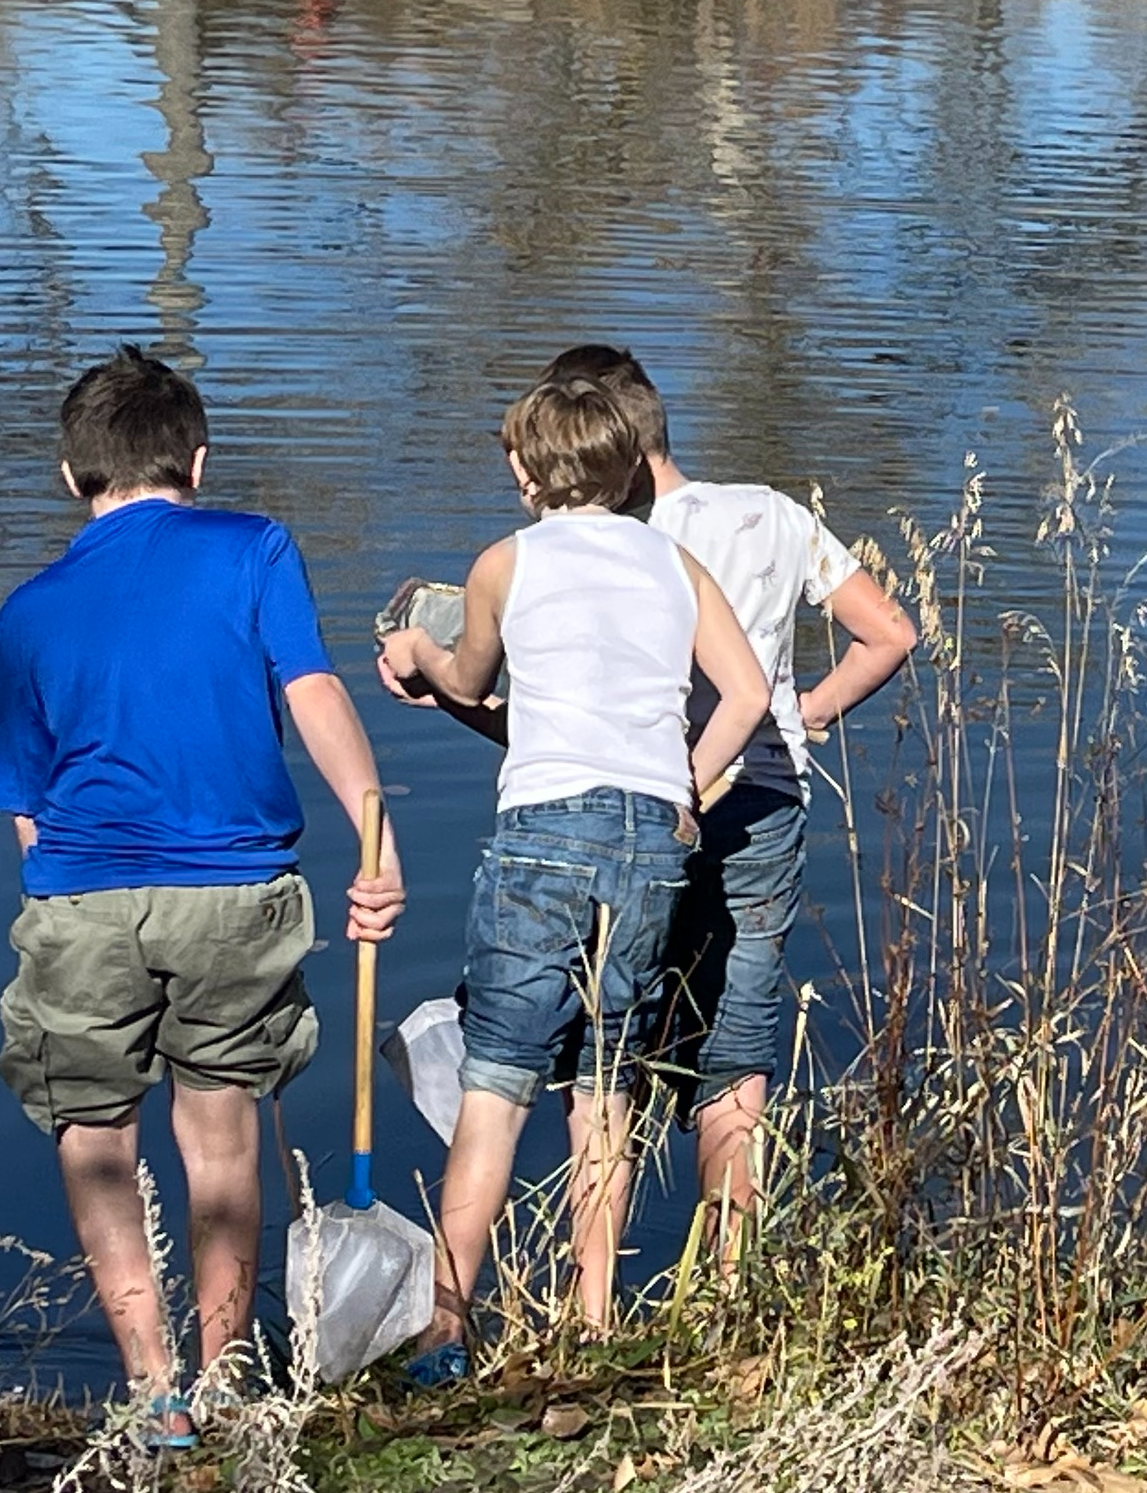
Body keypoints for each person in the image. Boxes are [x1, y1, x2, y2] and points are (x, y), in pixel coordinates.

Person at [379, 344, 917, 1265]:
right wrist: (805, 714)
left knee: (582, 1044)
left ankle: (487, 1300)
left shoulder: (583, 546)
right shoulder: (772, 515)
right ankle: (721, 1286)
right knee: (735, 1045)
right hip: (756, 803)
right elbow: (891, 632)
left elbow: (568, 742)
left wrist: (442, 687)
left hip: (619, 814)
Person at [0, 346, 404, 1446]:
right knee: (220, 1144)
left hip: (80, 896)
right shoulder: (255, 547)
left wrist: (84, 883)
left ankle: (150, 1383)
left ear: (74, 476)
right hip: (235, 891)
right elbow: (311, 692)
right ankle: (223, 1379)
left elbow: (25, 806)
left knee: (95, 1136)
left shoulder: (27, 610)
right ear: (197, 460)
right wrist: (374, 829)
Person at [376, 374, 767, 1384]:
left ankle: (447, 1327)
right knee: (607, 1083)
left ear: (524, 471)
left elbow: (467, 682)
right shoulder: (676, 562)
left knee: (497, 1082)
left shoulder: (506, 560)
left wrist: (419, 649)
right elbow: (750, 692)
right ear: (630, 465)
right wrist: (684, 784)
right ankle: (591, 1322)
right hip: (647, 841)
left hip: (542, 829)